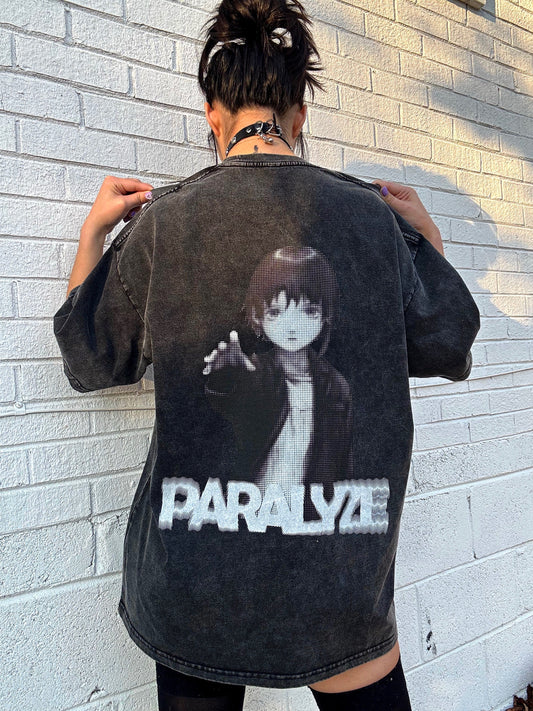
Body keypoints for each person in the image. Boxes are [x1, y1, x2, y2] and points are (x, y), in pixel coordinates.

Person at [53, 0, 480, 709]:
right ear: (299, 116)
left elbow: (89, 357)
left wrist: (92, 235)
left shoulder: (164, 223)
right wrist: (425, 237)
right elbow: (446, 339)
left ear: (212, 116)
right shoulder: (374, 221)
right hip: (338, 583)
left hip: (195, 583)